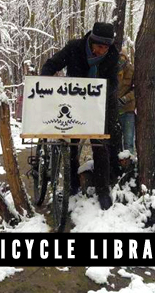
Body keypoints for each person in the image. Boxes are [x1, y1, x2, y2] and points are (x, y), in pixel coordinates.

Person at [40, 22, 121, 210]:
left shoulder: (112, 56)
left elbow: (114, 82)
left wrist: (100, 90)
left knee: (100, 146)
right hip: (73, 103)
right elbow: (53, 63)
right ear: (92, 41)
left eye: (106, 48)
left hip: (97, 106)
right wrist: (44, 80)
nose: (102, 51)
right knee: (71, 145)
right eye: (99, 46)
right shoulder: (74, 48)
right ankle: (72, 184)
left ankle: (103, 190)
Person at [117, 52, 136, 155]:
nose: (121, 61)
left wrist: (125, 98)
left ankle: (130, 166)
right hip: (114, 111)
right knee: (115, 143)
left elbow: (137, 89)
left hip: (128, 110)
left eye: (123, 58)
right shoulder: (111, 69)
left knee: (128, 142)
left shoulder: (132, 70)